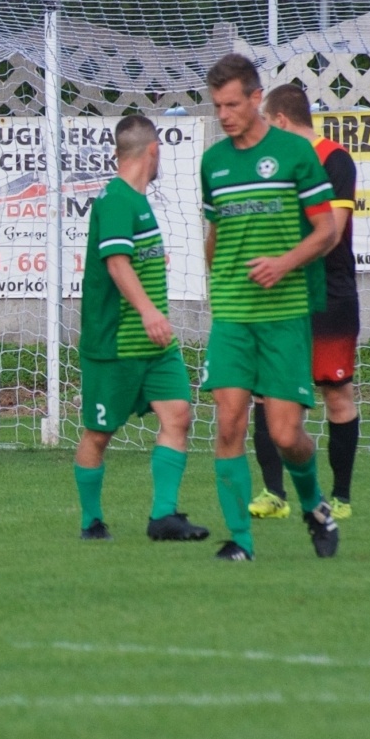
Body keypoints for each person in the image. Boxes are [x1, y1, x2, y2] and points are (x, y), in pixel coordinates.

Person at [198, 54, 341, 561]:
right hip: (233, 315)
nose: (224, 114)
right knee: (229, 423)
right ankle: (239, 540)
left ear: (257, 98)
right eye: (217, 106)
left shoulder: (296, 155)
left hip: (285, 311)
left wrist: (283, 263)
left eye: (232, 104)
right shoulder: (213, 162)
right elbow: (215, 233)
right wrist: (216, 284)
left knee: (285, 434)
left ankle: (315, 506)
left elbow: (326, 231)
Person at [72, 113, 209, 543]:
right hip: (116, 343)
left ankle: (163, 516)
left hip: (154, 344)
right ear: (153, 151)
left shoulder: (138, 201)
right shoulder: (115, 200)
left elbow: (131, 258)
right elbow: (116, 263)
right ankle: (91, 521)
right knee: (99, 434)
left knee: (179, 414)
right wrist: (150, 311)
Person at [249, 85, 361, 521]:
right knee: (266, 393)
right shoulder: (272, 166)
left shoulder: (334, 158)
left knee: (336, 392)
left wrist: (282, 254)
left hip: (329, 292)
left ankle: (342, 497)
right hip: (280, 294)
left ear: (278, 120)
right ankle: (274, 494)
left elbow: (331, 231)